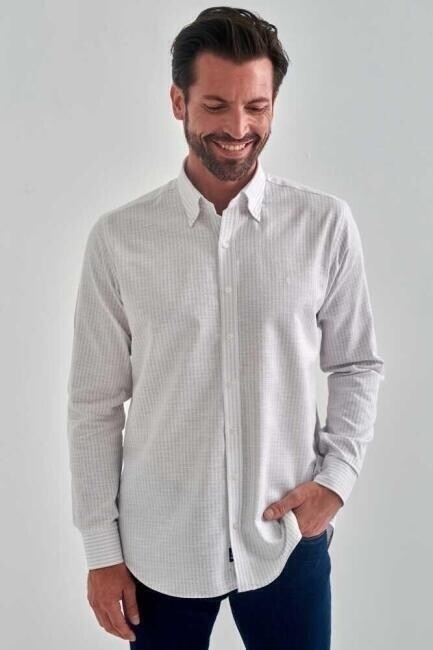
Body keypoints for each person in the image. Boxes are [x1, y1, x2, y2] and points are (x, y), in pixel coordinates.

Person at [66, 6, 385, 649]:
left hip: (286, 542)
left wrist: (336, 480)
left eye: (256, 107)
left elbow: (356, 364)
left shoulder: (324, 226)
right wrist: (102, 550)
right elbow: (95, 404)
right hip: (158, 554)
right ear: (178, 102)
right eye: (215, 106)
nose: (238, 128)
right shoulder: (120, 240)